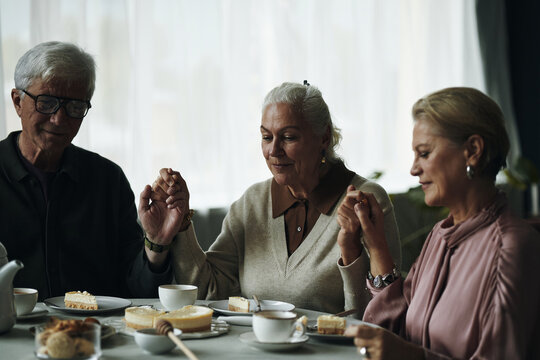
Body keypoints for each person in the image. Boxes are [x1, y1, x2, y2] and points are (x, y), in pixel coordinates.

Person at [150, 81, 401, 314]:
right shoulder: (253, 202)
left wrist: (352, 255)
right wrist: (180, 222)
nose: (273, 151)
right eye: (267, 137)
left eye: (289, 137)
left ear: (324, 137)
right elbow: (210, 292)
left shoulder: (364, 202)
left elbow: (377, 317)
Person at [340, 87, 540, 359]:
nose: (413, 169)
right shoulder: (440, 235)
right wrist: (376, 246)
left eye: (424, 153)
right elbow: (396, 331)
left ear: (473, 150)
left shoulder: (512, 248)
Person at [0, 41, 182, 300]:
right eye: (47, 102)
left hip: (97, 332)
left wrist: (157, 243)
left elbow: (139, 293)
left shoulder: (108, 180)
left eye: (74, 107)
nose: (59, 119)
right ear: (18, 102)